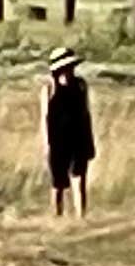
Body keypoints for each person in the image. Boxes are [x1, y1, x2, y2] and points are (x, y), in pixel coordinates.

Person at [39, 48, 94, 218]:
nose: (69, 71)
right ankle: (58, 216)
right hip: (57, 141)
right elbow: (45, 117)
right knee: (59, 184)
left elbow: (85, 114)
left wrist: (89, 142)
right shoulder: (49, 89)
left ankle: (81, 217)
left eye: (71, 67)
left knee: (80, 179)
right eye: (66, 67)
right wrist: (46, 144)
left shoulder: (80, 85)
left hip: (78, 137)